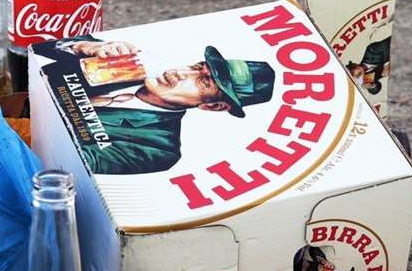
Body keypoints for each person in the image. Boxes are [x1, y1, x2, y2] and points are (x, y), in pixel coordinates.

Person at [39, 36, 275, 175]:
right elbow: (38, 48)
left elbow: (63, 168)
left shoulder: (160, 148)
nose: (179, 73)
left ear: (213, 107)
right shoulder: (126, 64)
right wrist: (82, 47)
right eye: (196, 66)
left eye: (203, 81)